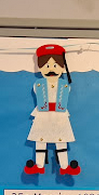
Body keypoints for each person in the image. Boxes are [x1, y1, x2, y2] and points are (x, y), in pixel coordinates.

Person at [24, 44, 80, 176]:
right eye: (47, 65)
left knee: (61, 138)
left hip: (59, 115)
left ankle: (64, 166)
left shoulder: (64, 85)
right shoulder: (39, 85)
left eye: (55, 65)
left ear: (62, 67)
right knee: (40, 138)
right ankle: (39, 165)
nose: (51, 69)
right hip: (43, 114)